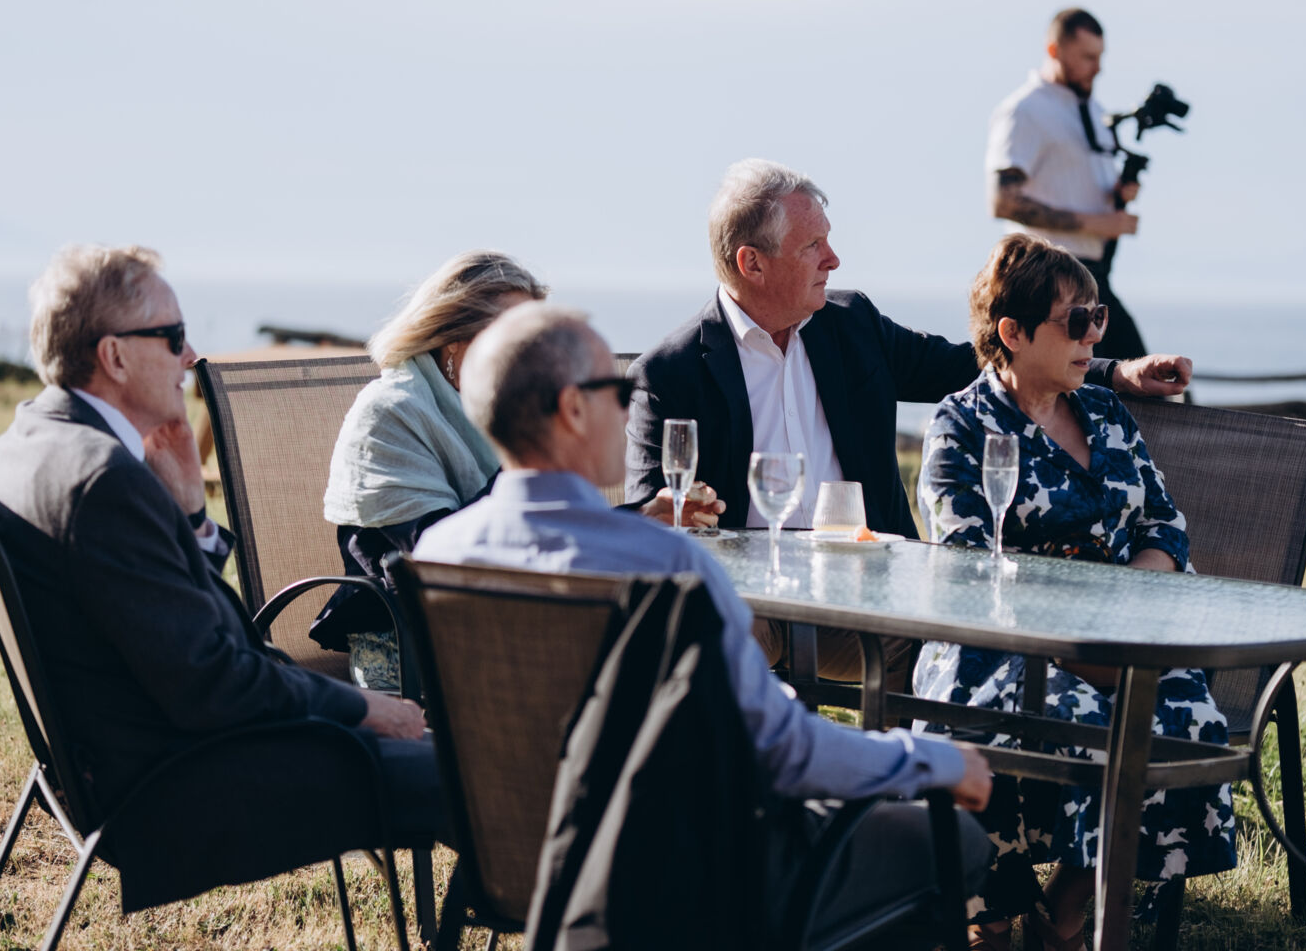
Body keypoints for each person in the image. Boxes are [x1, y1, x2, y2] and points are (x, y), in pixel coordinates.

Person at [414, 302, 997, 942]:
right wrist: (934, 760)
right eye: (617, 392)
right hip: (692, 878)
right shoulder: (665, 566)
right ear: (574, 410)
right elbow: (788, 752)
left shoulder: (440, 554)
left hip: (513, 864)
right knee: (958, 840)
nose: (627, 411)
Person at [624, 158, 1192, 682]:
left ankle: (916, 762)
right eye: (813, 245)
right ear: (752, 263)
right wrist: (669, 514)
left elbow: (978, 361)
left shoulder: (851, 324)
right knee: (709, 632)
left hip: (873, 598)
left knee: (947, 653)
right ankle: (766, 756)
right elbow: (645, 519)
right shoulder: (672, 373)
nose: (833, 259)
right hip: (752, 605)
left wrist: (1113, 372)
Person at [0, 244, 442, 839]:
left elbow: (169, 627)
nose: (191, 357)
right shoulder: (103, 480)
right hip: (174, 786)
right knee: (475, 777)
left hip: (130, 757)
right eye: (173, 337)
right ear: (114, 356)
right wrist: (364, 707)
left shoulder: (33, 437)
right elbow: (218, 681)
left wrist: (193, 516)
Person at [913, 233, 1235, 951]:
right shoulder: (961, 425)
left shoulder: (1108, 414)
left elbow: (1164, 526)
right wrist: (1082, 638)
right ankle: (989, 917)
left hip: (1124, 642)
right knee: (1081, 721)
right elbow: (969, 563)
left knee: (1185, 722)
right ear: (1013, 332)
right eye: (1076, 320)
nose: (1094, 335)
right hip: (998, 647)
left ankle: (1066, 910)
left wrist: (1125, 612)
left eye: (1098, 317)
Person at [315, 250, 721, 688]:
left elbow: (531, 529)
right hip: (416, 645)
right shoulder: (391, 414)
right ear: (453, 338)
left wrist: (638, 518)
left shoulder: (504, 412)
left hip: (523, 622)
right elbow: (445, 560)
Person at [985, 7, 1148, 361]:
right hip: (1045, 282)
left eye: (1100, 56)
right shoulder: (1024, 110)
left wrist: (1117, 195)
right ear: (1054, 51)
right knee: (1133, 376)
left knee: (1141, 379)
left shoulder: (1093, 111)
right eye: (1087, 57)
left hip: (1092, 278)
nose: (1098, 67)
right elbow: (1003, 201)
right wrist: (1097, 223)